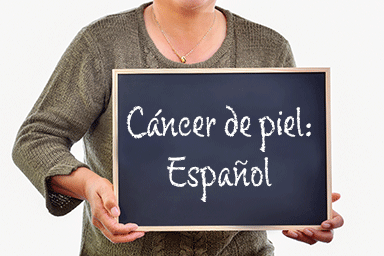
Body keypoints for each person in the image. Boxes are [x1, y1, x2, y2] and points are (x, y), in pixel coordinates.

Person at [12, 0, 343, 255]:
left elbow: (279, 165)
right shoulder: (102, 44)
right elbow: (37, 138)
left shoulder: (270, 49)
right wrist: (87, 186)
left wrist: (306, 209)